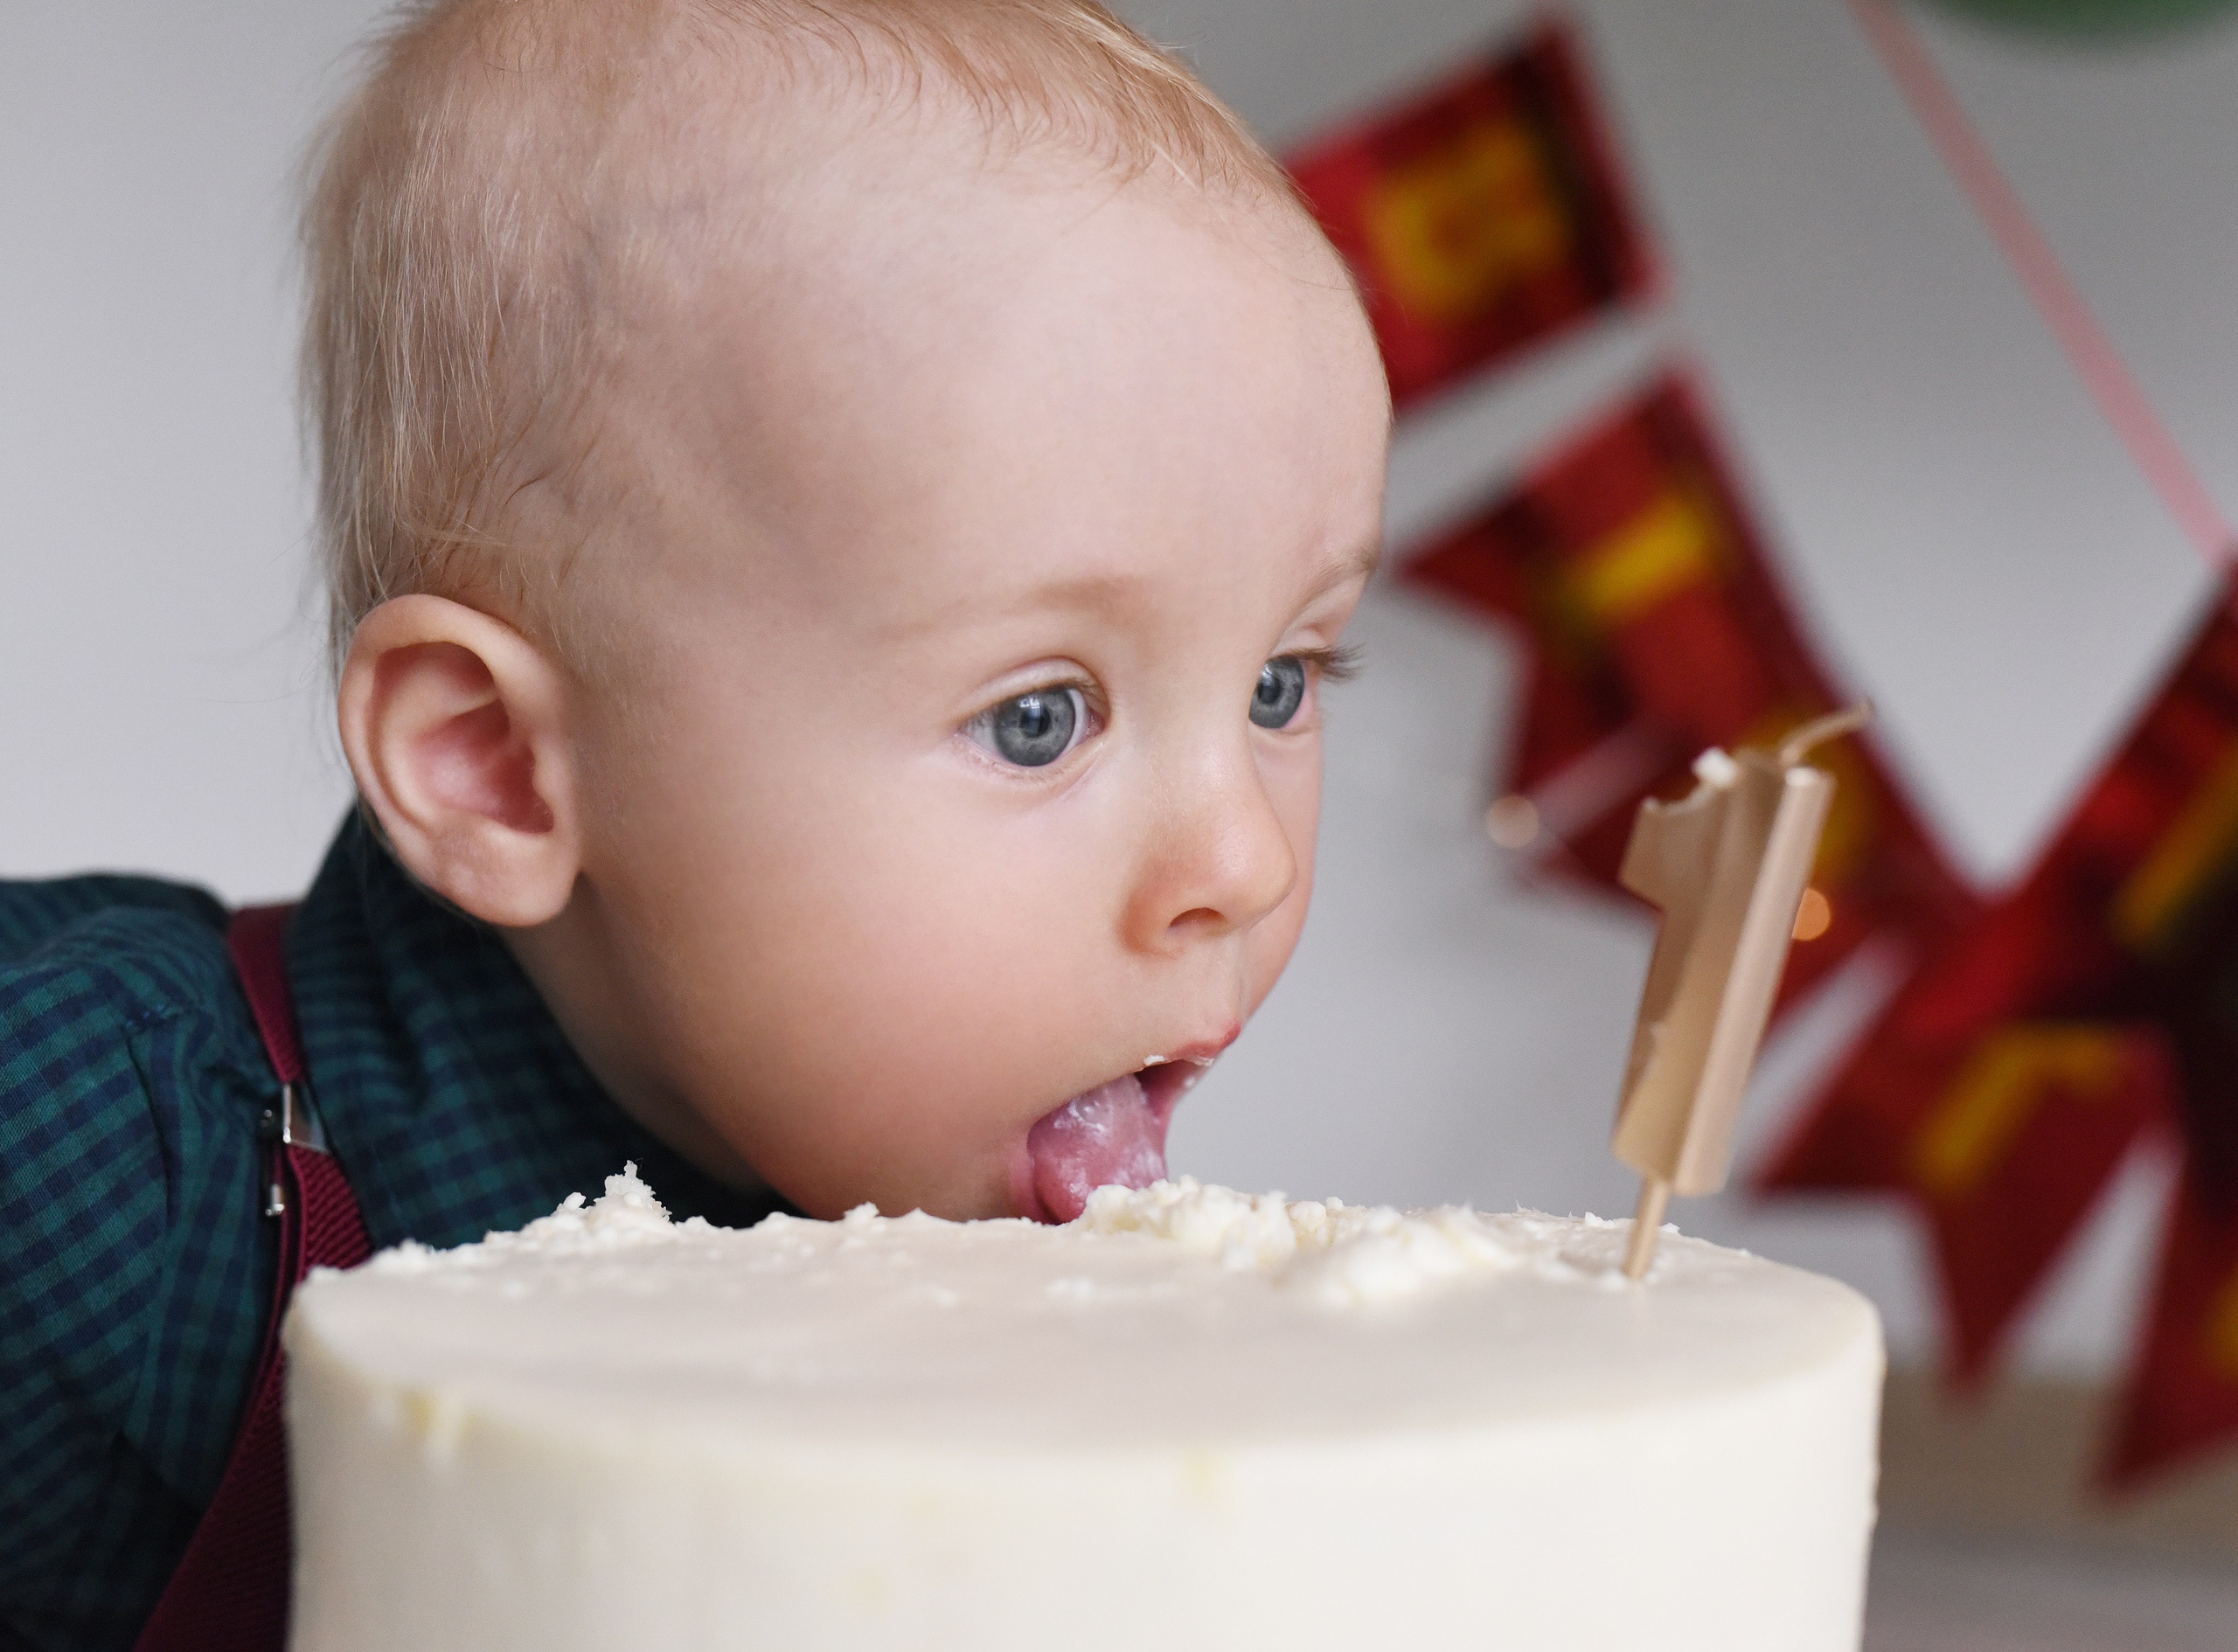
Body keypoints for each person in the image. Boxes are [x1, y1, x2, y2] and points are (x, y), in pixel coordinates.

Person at [0, 1, 1388, 1644]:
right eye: (1038, 716)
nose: (1243, 861)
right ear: (498, 768)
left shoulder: (960, 1263)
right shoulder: (87, 1163)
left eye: (1282, 683)